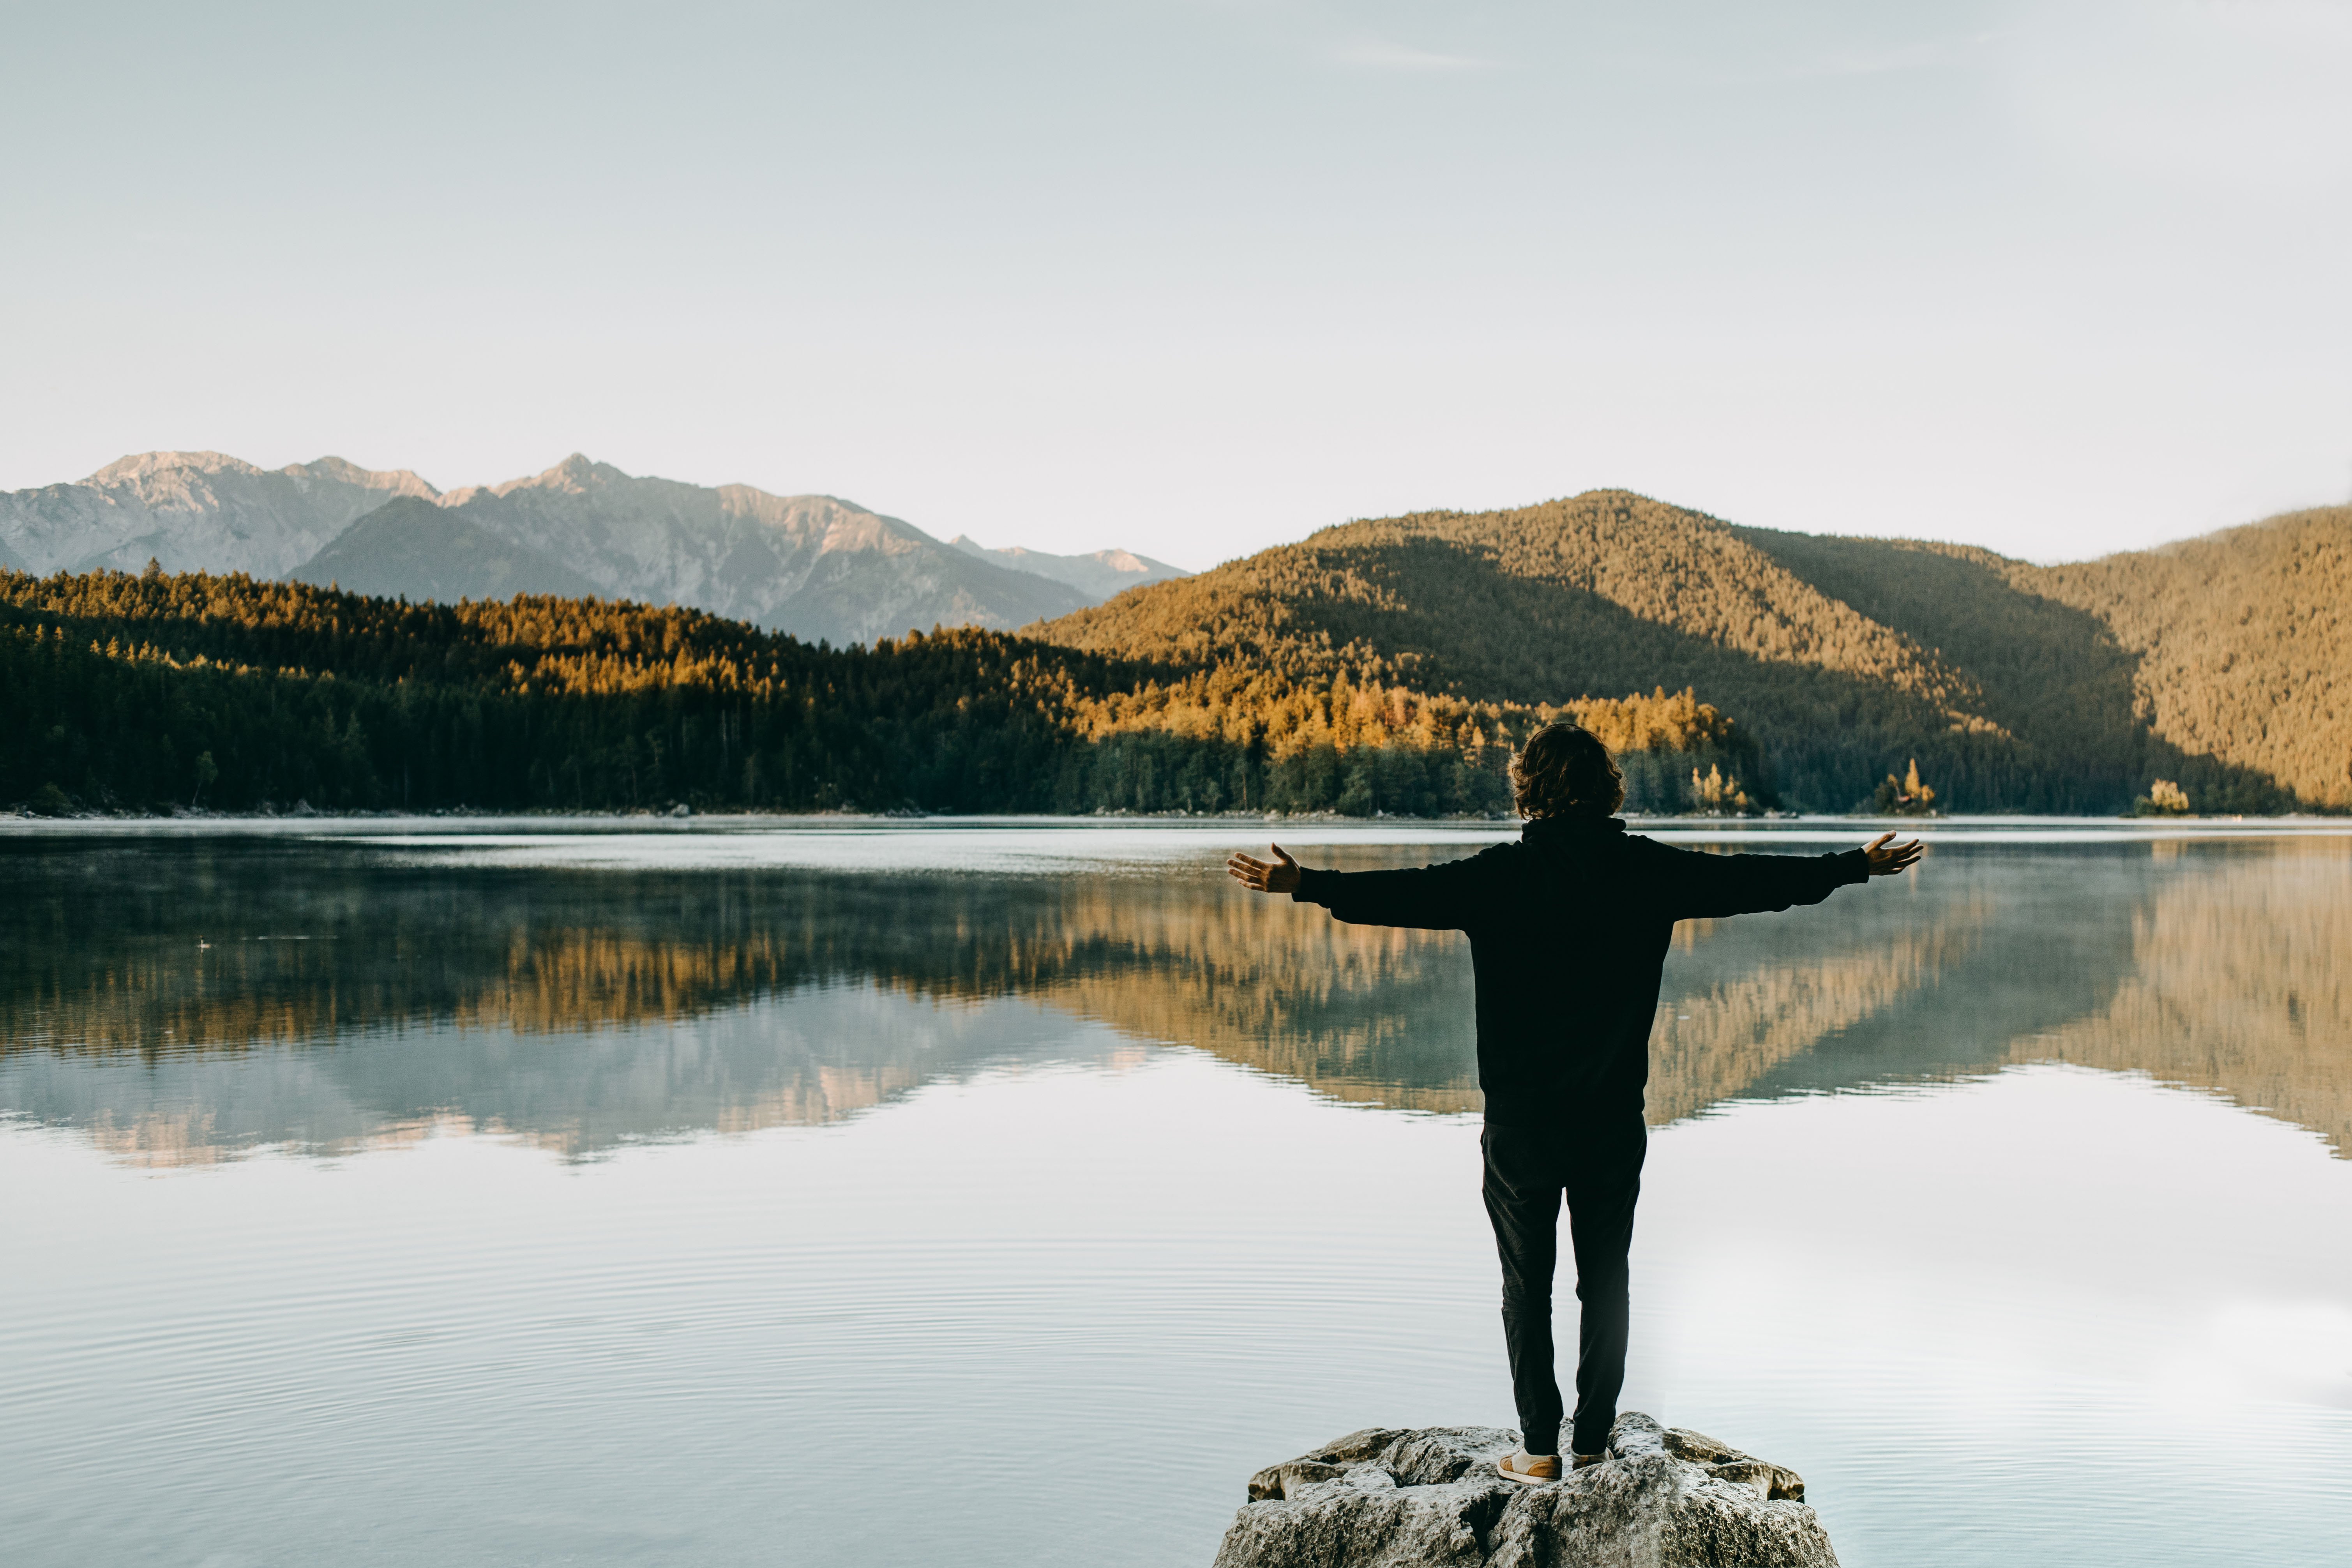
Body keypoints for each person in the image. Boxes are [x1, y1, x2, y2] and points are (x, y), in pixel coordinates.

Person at [1226, 722, 1922, 1485]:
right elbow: (1754, 881)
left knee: (1526, 1287)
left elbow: (1404, 892)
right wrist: (1852, 865)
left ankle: (1538, 1449)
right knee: (1606, 1282)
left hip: (1521, 1124)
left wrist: (1308, 883)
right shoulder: (1647, 870)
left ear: (1528, 790)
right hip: (1611, 1119)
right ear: (1608, 790)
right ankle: (1591, 1439)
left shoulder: (1500, 875)